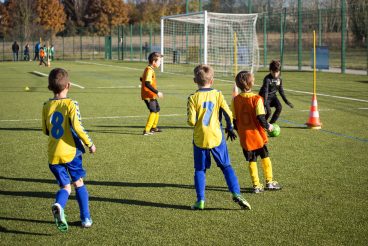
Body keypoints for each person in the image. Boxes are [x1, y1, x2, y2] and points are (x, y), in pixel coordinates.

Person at [187, 64, 251, 210]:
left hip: (200, 138)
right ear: (212, 80)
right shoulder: (218, 94)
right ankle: (236, 193)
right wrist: (230, 127)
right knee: (226, 166)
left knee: (200, 170)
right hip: (217, 136)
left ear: (194, 81)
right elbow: (228, 114)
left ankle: (200, 201)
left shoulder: (193, 98)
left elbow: (191, 121)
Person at [42, 68, 96, 232]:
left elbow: (45, 130)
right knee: (79, 183)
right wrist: (90, 143)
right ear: (68, 85)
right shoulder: (72, 104)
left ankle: (59, 204)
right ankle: (86, 218)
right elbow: (78, 127)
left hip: (53, 154)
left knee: (65, 187)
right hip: (71, 152)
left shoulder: (46, 105)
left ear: (50, 87)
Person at [232, 70, 281, 193]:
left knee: (252, 159)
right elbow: (260, 117)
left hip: (245, 137)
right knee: (265, 156)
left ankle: (256, 186)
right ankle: (269, 182)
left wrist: (240, 132)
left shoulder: (235, 100)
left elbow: (234, 120)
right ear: (252, 83)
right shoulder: (257, 99)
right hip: (257, 135)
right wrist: (268, 126)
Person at [259, 60, 294, 124]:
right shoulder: (267, 79)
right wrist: (264, 104)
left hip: (273, 96)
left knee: (279, 107)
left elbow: (281, 90)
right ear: (270, 70)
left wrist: (286, 101)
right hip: (264, 97)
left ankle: (271, 124)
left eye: (277, 72)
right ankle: (261, 124)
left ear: (279, 71)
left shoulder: (279, 79)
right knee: (268, 112)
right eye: (273, 72)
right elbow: (265, 92)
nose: (275, 74)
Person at [140, 52, 164, 135]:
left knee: (157, 110)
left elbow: (142, 79)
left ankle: (153, 127)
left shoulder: (149, 69)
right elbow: (147, 83)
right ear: (154, 62)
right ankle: (147, 130)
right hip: (148, 95)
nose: (160, 63)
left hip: (151, 94)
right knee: (153, 111)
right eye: (159, 61)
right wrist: (157, 92)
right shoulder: (149, 70)